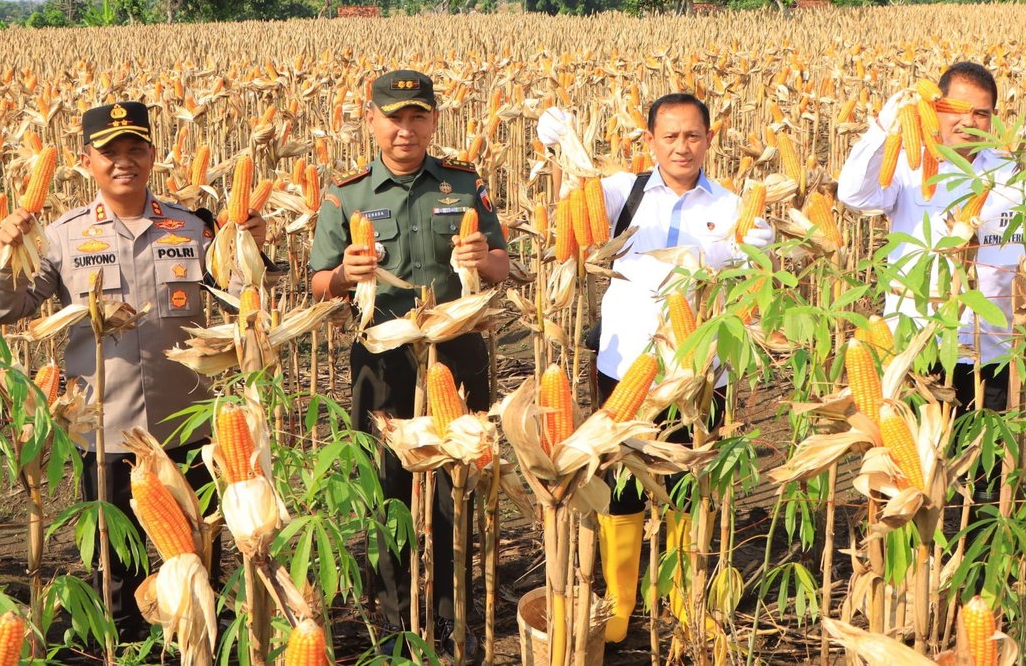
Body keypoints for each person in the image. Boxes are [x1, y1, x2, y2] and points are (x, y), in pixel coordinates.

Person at [0, 100, 257, 639]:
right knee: (116, 572)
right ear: (87, 161)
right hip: (106, 435)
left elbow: (236, 300)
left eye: (135, 149)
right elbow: (6, 310)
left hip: (189, 427)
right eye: (110, 153)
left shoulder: (192, 227)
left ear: (153, 155)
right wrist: (3, 253)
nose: (123, 162)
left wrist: (248, 245)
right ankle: (127, 646)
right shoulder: (62, 235)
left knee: (199, 560)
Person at [537, 91, 773, 645]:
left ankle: (680, 593)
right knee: (621, 482)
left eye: (693, 135)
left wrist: (762, 251)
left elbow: (751, 293)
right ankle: (620, 601)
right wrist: (559, 143)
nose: (682, 147)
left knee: (688, 478)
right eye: (669, 136)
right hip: (625, 365)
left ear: (710, 140)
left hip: (698, 372)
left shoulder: (732, 206)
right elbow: (579, 201)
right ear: (649, 142)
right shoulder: (625, 192)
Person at [308, 70, 509, 650]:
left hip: (457, 350)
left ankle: (450, 612)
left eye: (417, 116)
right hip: (383, 354)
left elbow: (503, 266)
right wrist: (346, 274)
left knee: (456, 481)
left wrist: (483, 257)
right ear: (371, 120)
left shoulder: (463, 186)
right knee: (386, 485)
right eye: (393, 117)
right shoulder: (347, 196)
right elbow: (318, 281)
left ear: (434, 121)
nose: (405, 129)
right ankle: (397, 617)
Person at [837, 62, 1026, 415]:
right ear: (935, 109)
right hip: (914, 341)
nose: (969, 122)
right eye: (956, 111)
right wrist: (885, 127)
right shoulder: (906, 164)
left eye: (981, 113)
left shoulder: (1012, 173)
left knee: (981, 464)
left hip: (987, 345)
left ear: (993, 117)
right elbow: (853, 194)